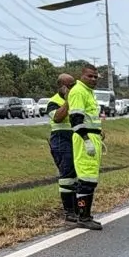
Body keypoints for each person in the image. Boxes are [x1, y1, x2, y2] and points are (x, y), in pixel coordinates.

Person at [67, 64, 104, 230]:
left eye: (96, 77)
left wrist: (97, 135)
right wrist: (87, 140)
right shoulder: (78, 91)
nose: (93, 79)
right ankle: (83, 216)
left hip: (92, 136)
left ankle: (86, 214)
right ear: (81, 75)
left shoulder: (88, 92)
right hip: (84, 139)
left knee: (91, 178)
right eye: (90, 76)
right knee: (86, 178)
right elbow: (75, 119)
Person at [46, 73, 78, 222]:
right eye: (70, 85)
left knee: (77, 175)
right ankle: (69, 210)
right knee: (67, 175)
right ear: (62, 87)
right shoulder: (53, 102)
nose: (73, 88)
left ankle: (78, 208)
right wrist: (67, 101)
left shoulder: (77, 98)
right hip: (61, 141)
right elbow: (57, 117)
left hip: (76, 139)